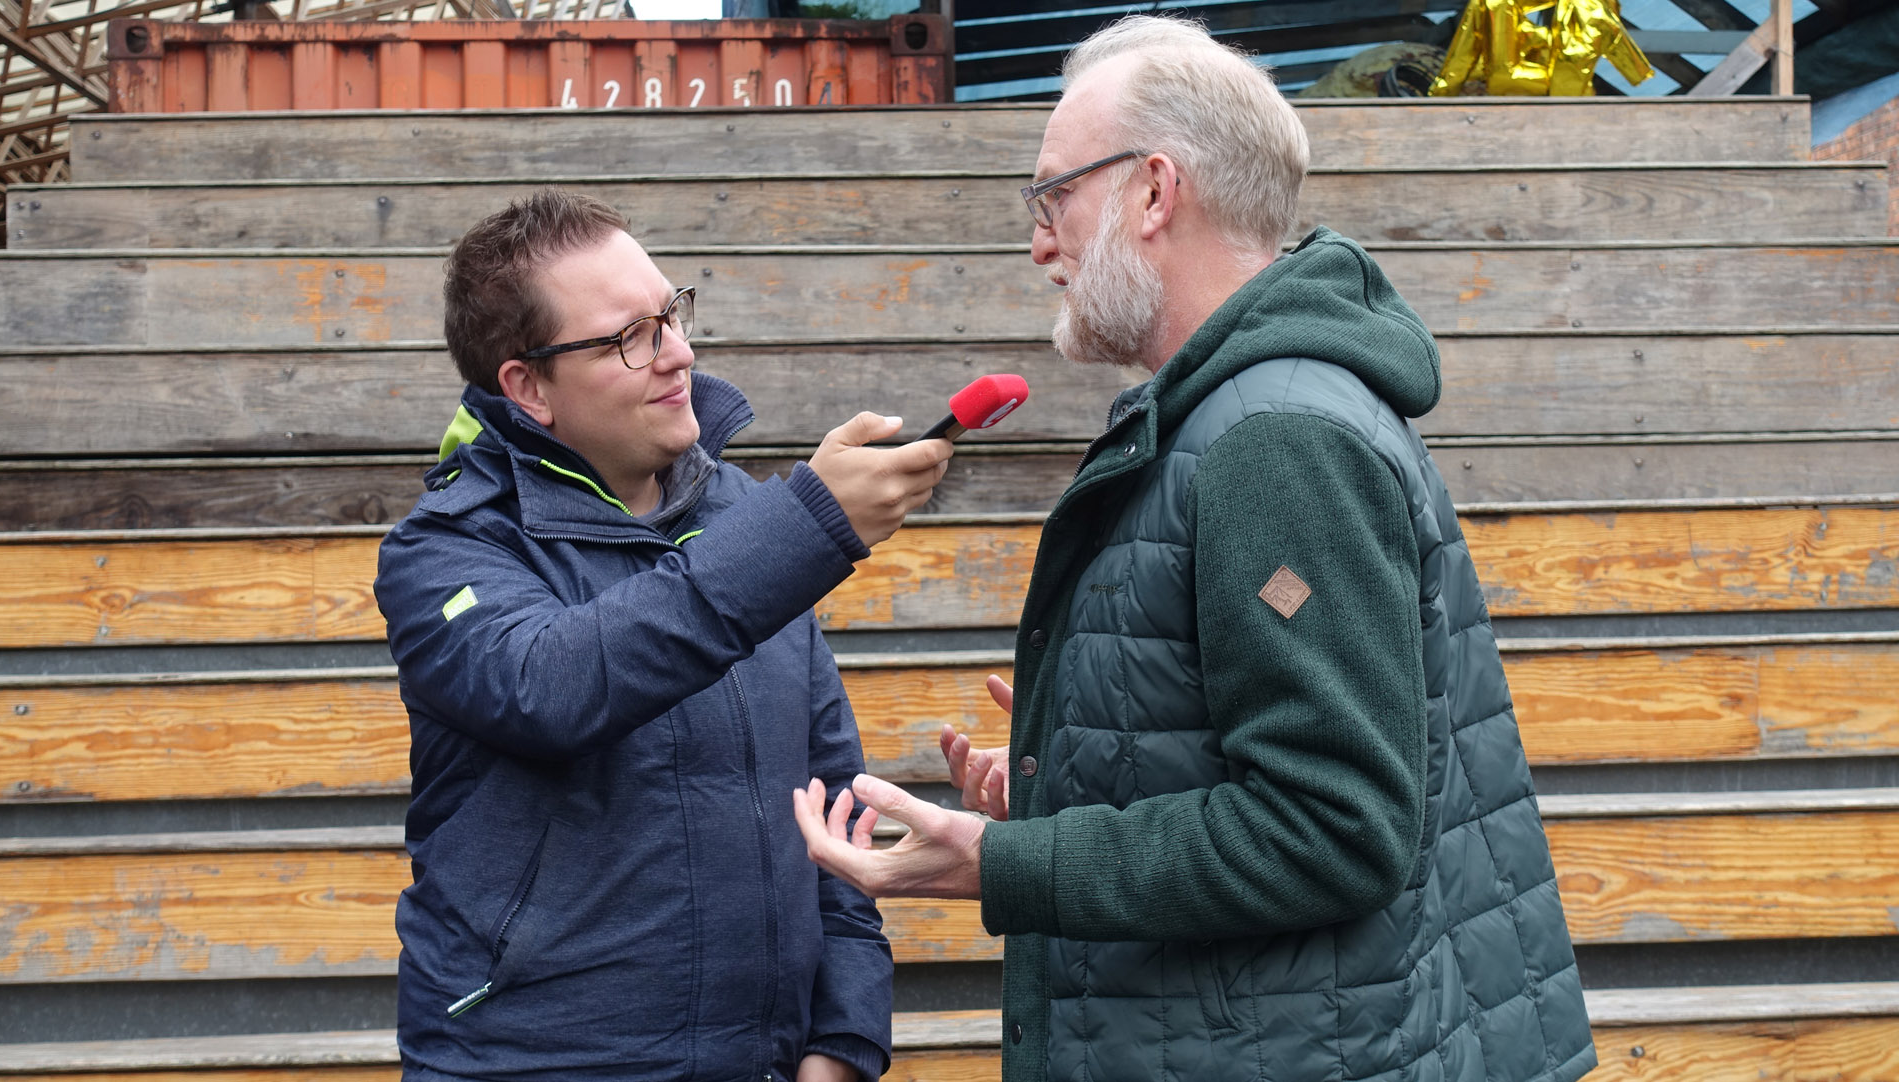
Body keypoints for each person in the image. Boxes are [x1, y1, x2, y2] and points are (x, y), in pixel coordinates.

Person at [793, 16, 1596, 1082]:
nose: (1039, 241)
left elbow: (1331, 824)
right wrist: (1080, 770)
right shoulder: (1240, 414)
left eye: (1053, 198)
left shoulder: (1278, 438)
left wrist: (1002, 860)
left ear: (1153, 191)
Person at [375, 188, 952, 1082]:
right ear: (529, 388)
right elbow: (553, 687)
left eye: (671, 315)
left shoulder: (752, 525)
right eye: (626, 339)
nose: (678, 354)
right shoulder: (444, 552)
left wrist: (842, 1041)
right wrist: (801, 530)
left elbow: (835, 808)